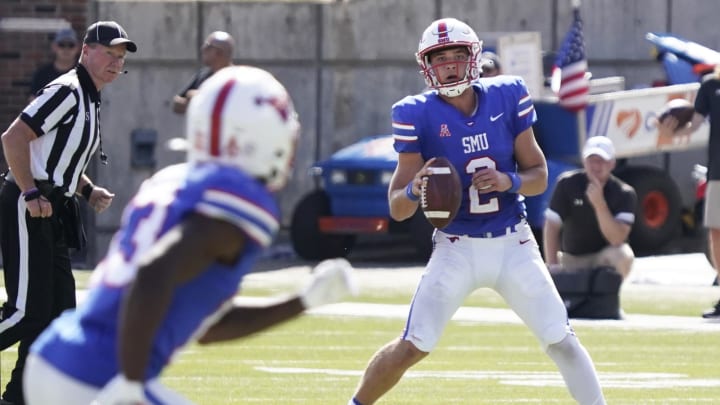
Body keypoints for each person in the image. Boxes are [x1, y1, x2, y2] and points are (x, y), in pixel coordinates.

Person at [22, 65, 358, 405]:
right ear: (254, 135)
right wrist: (131, 382)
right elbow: (154, 272)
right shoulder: (237, 199)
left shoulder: (177, 182)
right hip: (97, 377)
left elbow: (209, 325)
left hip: (56, 361)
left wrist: (303, 300)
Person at [348, 18, 605, 405]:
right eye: (439, 57)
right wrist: (416, 189)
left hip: (513, 241)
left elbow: (538, 175)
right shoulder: (415, 112)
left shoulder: (507, 94)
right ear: (425, 64)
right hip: (457, 245)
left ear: (473, 56)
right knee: (413, 344)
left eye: (457, 54)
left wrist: (508, 181)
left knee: (562, 340)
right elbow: (397, 209)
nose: (449, 64)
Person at [0, 20, 136, 405]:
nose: (114, 63)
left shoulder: (90, 97)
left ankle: (18, 398)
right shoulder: (68, 90)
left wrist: (88, 190)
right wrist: (29, 192)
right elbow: (13, 139)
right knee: (26, 312)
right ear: (86, 51)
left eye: (120, 58)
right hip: (31, 205)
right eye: (108, 54)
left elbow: (60, 160)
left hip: (53, 208)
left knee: (56, 317)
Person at [659, 64, 720, 318]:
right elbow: (693, 126)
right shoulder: (711, 85)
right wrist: (668, 133)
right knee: (716, 233)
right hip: (718, 171)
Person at [543, 136, 637, 281]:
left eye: (602, 161)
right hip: (571, 258)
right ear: (584, 161)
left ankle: (608, 297)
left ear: (612, 164)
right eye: (591, 160)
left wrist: (600, 205)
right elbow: (552, 225)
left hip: (602, 258)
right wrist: (553, 266)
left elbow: (617, 239)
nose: (596, 166)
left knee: (623, 255)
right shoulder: (567, 183)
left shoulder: (624, 193)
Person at [171, 31, 235, 114]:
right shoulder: (202, 76)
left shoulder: (236, 78)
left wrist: (200, 97)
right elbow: (177, 104)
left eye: (208, 47)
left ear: (219, 52)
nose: (203, 49)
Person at [28, 27, 81, 101]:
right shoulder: (42, 75)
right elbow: (33, 102)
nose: (66, 49)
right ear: (54, 47)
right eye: (61, 45)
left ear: (77, 48)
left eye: (71, 45)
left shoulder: (83, 76)